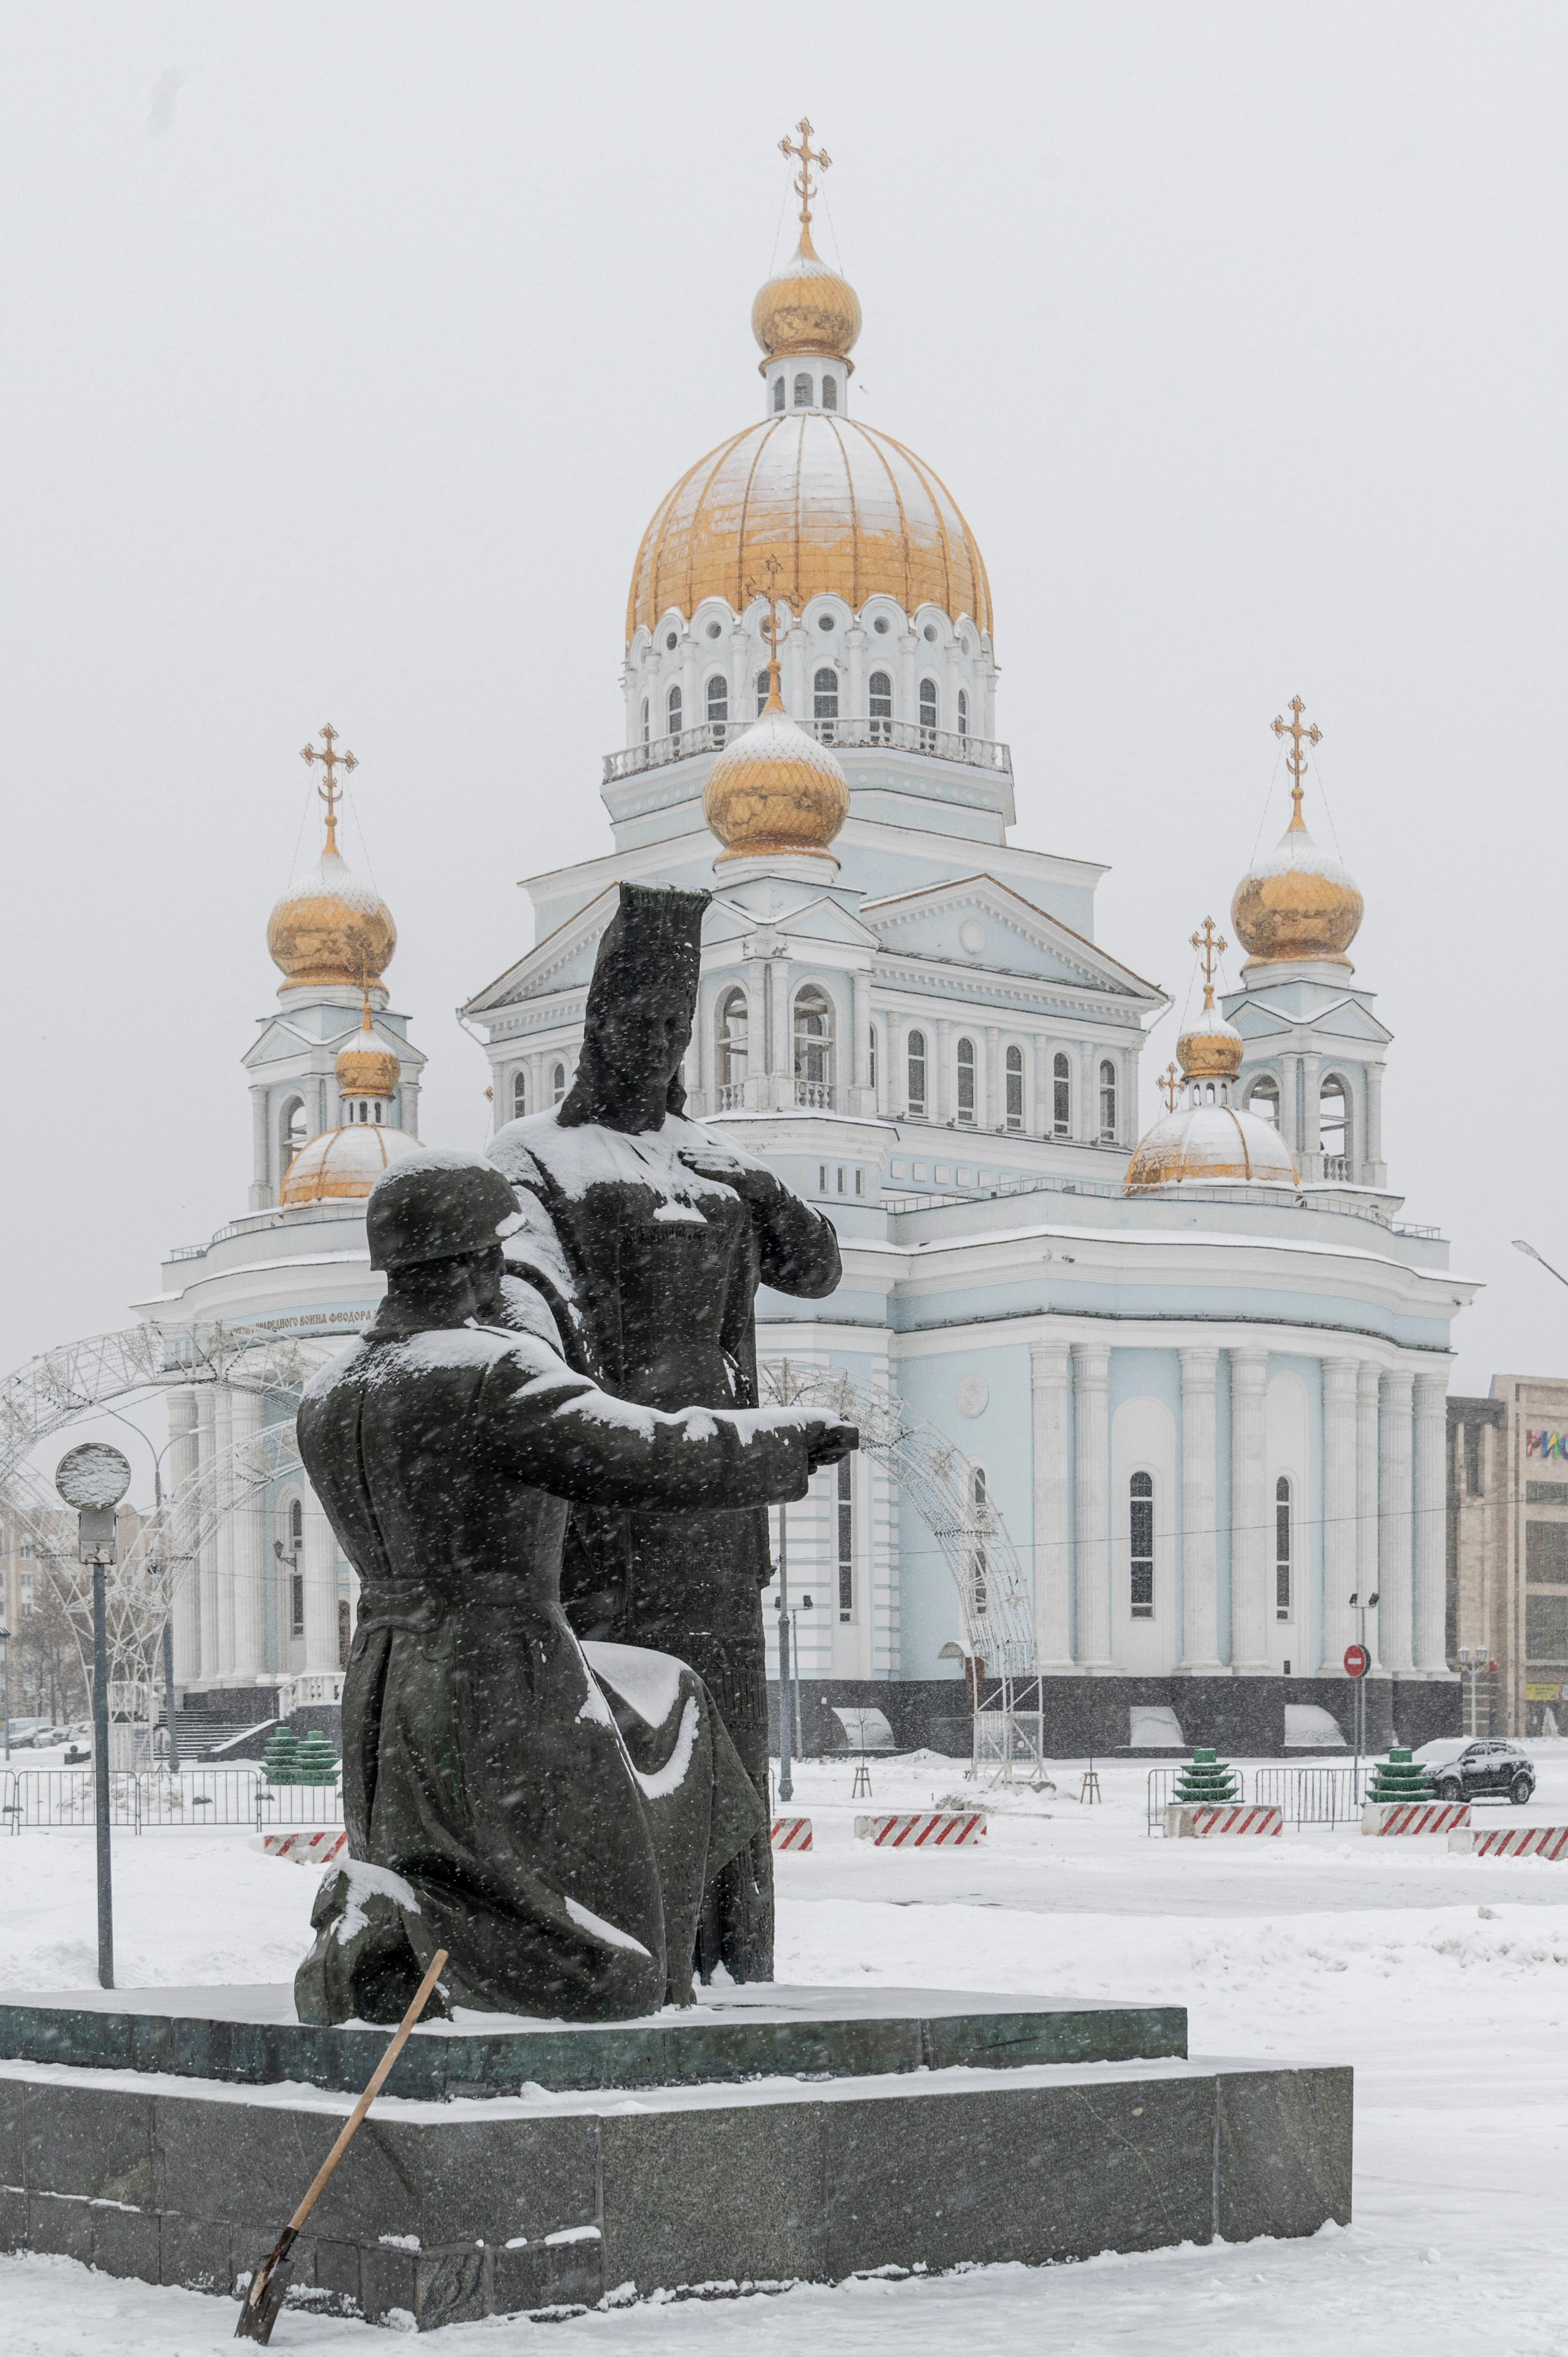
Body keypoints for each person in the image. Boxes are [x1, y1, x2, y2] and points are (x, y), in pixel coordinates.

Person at [292, 1153, 854, 2027]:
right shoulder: (488, 1373)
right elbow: (645, 1450)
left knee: (461, 1870)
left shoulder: (329, 1392)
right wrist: (783, 1444)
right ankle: (393, 1938)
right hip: (501, 1680)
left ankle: (393, 1920)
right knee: (598, 1958)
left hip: (386, 1687)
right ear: (482, 1262)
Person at [487, 883, 843, 1982]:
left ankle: (730, 1952)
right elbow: (527, 1311)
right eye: (633, 1024)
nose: (651, 1046)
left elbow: (818, 1267)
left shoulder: (713, 1161)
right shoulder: (534, 1157)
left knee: (729, 1735)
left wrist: (763, 1186)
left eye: (671, 1029)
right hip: (605, 1505)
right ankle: (628, 1956)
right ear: (595, 1026)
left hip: (716, 1516)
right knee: (615, 1744)